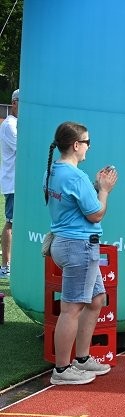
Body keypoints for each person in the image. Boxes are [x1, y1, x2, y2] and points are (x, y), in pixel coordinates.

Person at [43, 121, 118, 385]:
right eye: (87, 142)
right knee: (71, 309)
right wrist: (105, 190)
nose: (88, 147)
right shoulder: (76, 176)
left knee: (96, 299)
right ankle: (62, 370)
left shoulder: (53, 170)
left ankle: (82, 359)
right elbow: (95, 212)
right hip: (79, 247)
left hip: (67, 244)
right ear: (76, 145)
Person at [0, 89, 18, 279]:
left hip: (18, 182)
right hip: (13, 182)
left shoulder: (16, 123)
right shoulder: (9, 126)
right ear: (14, 103)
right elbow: (23, 149)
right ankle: (6, 266)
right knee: (11, 223)